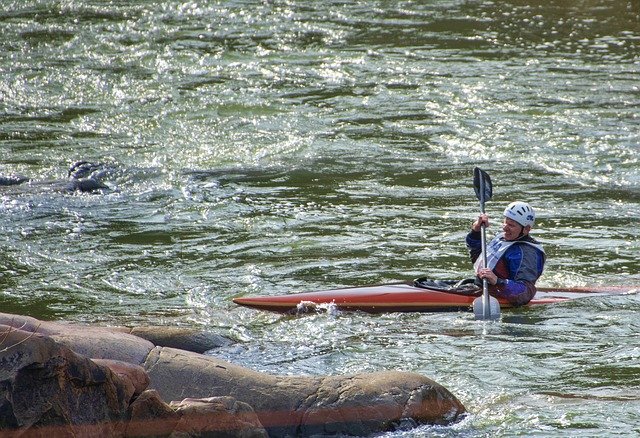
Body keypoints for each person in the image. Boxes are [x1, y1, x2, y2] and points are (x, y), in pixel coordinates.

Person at [466, 201, 546, 306]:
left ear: (526, 229)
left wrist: (498, 281)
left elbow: (525, 292)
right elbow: (478, 257)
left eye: (511, 225)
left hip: (498, 294)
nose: (504, 228)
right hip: (480, 286)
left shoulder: (526, 253)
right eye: (505, 222)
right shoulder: (504, 238)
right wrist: (476, 232)